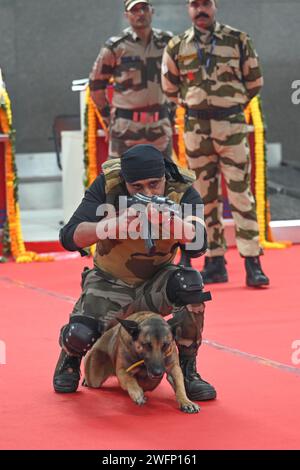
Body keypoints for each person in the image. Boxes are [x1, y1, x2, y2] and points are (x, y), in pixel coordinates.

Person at [53, 144, 216, 401]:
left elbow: (199, 246)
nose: (148, 192)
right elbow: (69, 237)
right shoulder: (108, 185)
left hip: (156, 283)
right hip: (109, 282)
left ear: (164, 177)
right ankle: (70, 359)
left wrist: (173, 223)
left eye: (154, 184)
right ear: (126, 182)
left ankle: (186, 369)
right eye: (137, 187)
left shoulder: (181, 190)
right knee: (79, 335)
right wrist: (111, 225)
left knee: (190, 284)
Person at [161, 0, 270, 287]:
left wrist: (228, 105)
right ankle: (214, 260)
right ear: (188, 8)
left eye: (205, 3)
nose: (201, 9)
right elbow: (169, 86)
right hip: (197, 128)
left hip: (230, 125)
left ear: (215, 6)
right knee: (203, 197)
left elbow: (254, 82)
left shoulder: (238, 39)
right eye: (195, 4)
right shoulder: (177, 45)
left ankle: (252, 262)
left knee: (240, 195)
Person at [89, 0, 174, 160]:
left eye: (144, 8)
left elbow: (179, 80)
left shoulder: (168, 42)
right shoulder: (116, 47)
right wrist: (108, 118)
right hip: (125, 128)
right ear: (126, 15)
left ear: (152, 11)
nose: (140, 13)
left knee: (164, 179)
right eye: (134, 10)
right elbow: (96, 86)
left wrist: (171, 112)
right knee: (119, 181)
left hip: (159, 127)